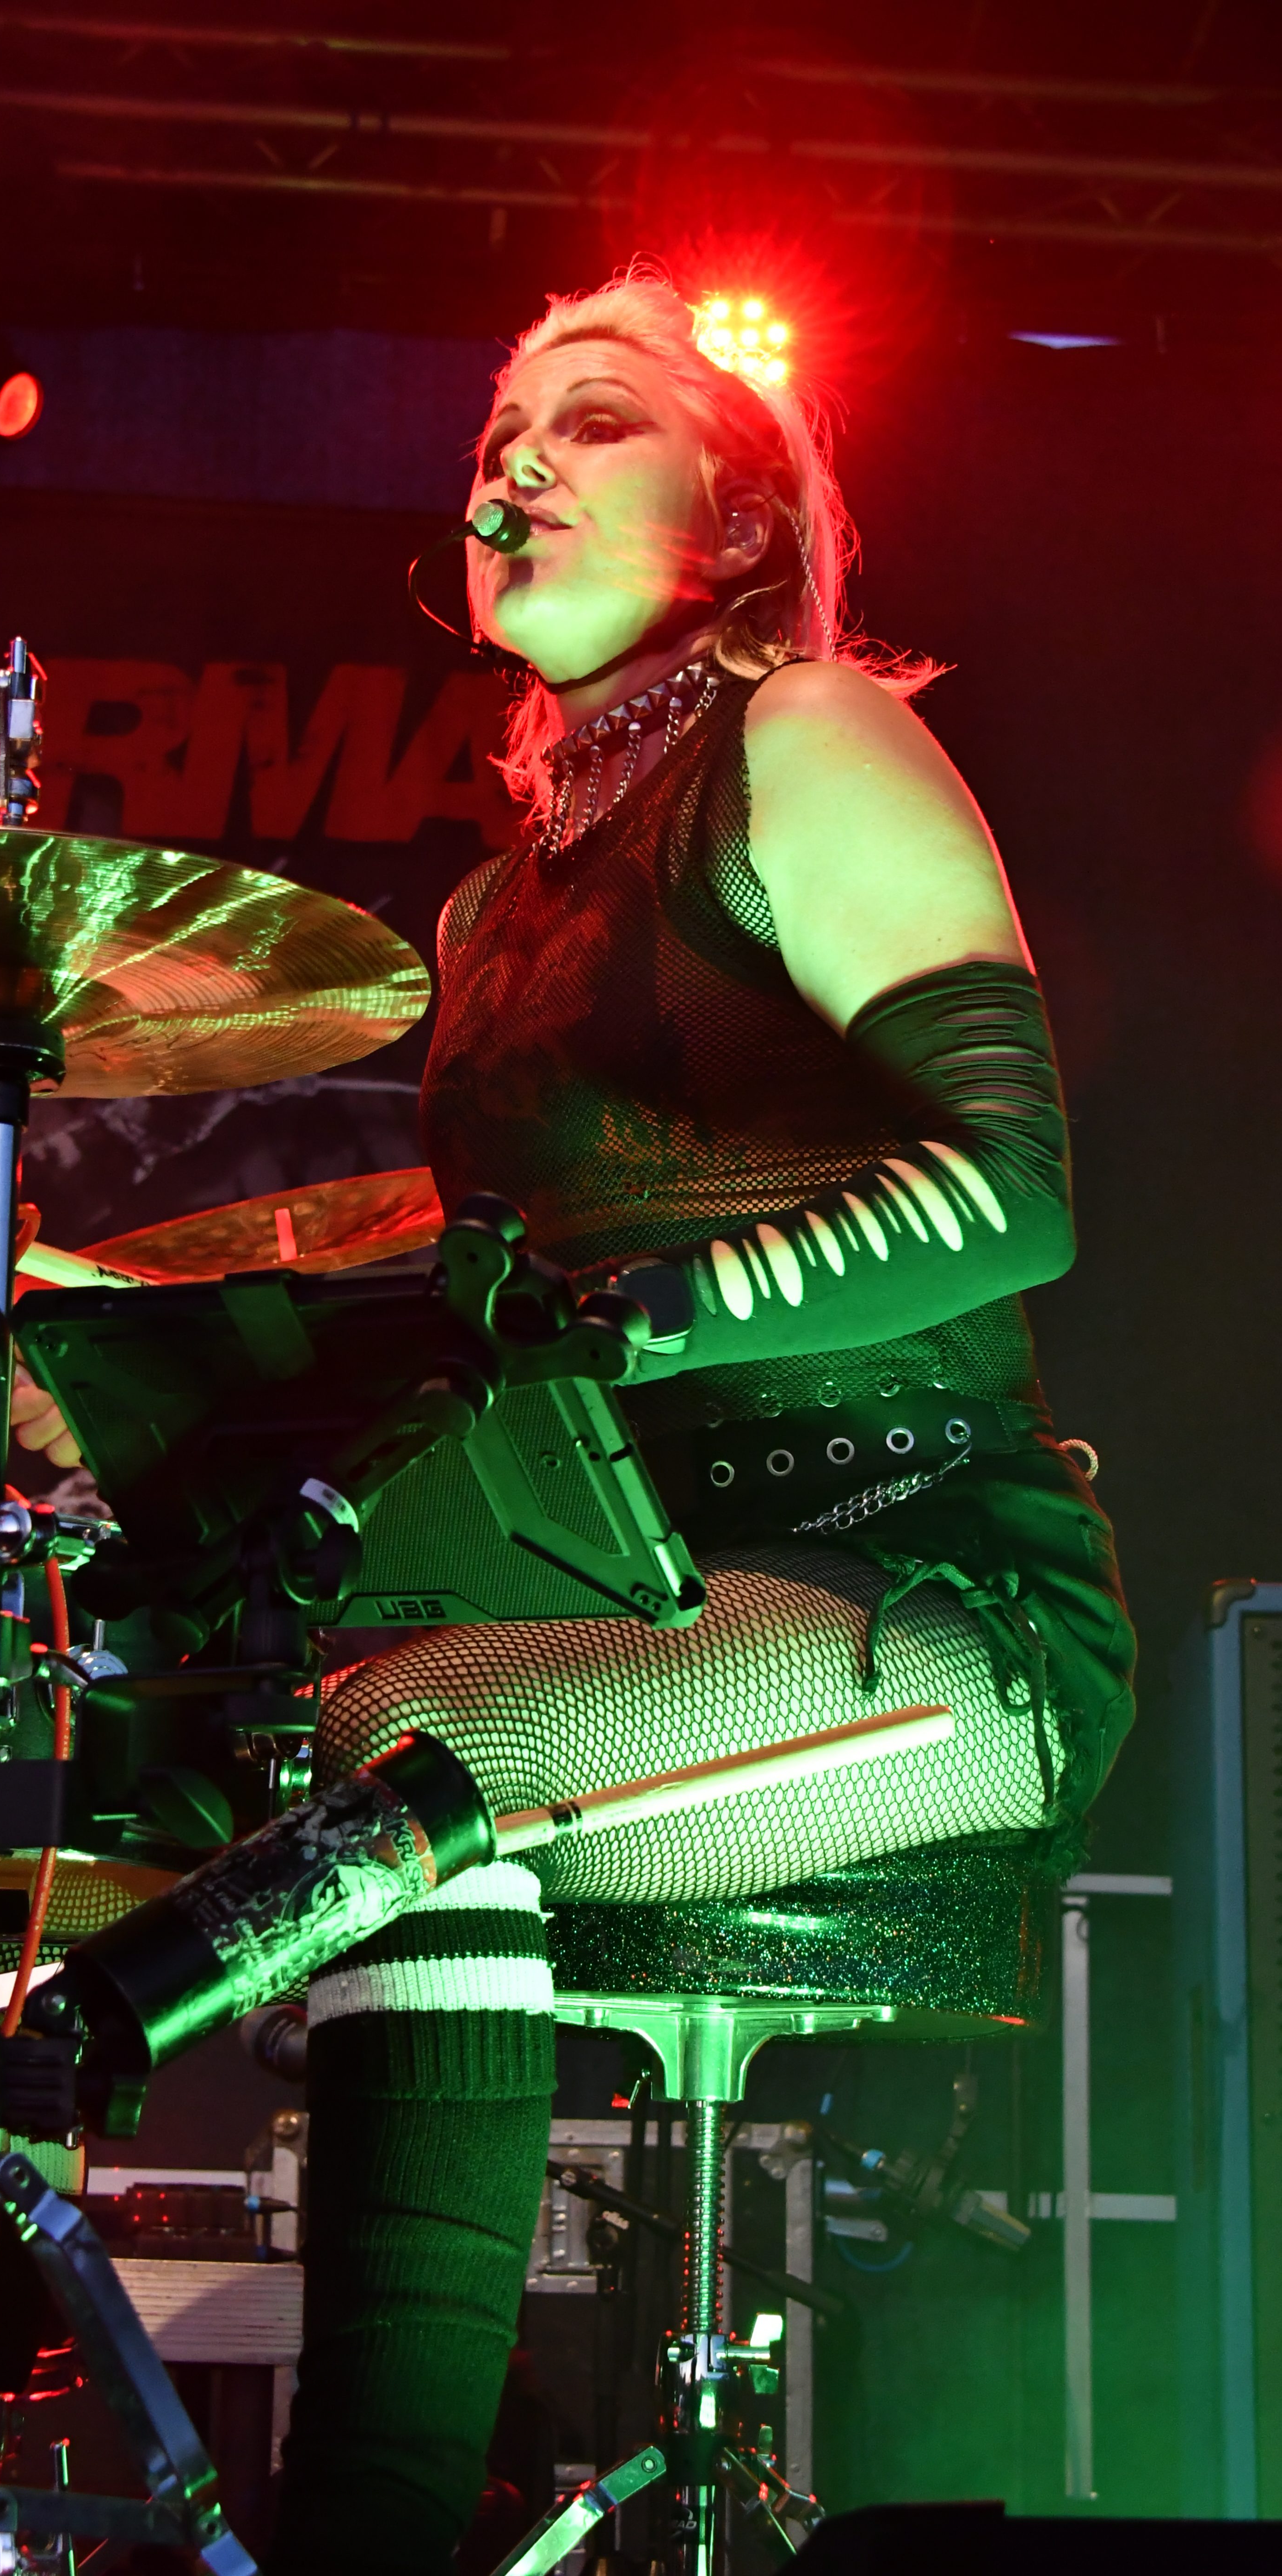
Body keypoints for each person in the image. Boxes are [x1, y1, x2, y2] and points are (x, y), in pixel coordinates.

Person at [259, 270, 1134, 2576]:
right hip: (657, 1611)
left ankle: (366, 2523)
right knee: (280, 1715)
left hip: (946, 1618)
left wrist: (654, 1316)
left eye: (592, 420)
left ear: (738, 525)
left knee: (416, 1755)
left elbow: (1014, 1192)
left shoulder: (810, 733)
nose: (511, 464)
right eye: (497, 432)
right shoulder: (490, 913)